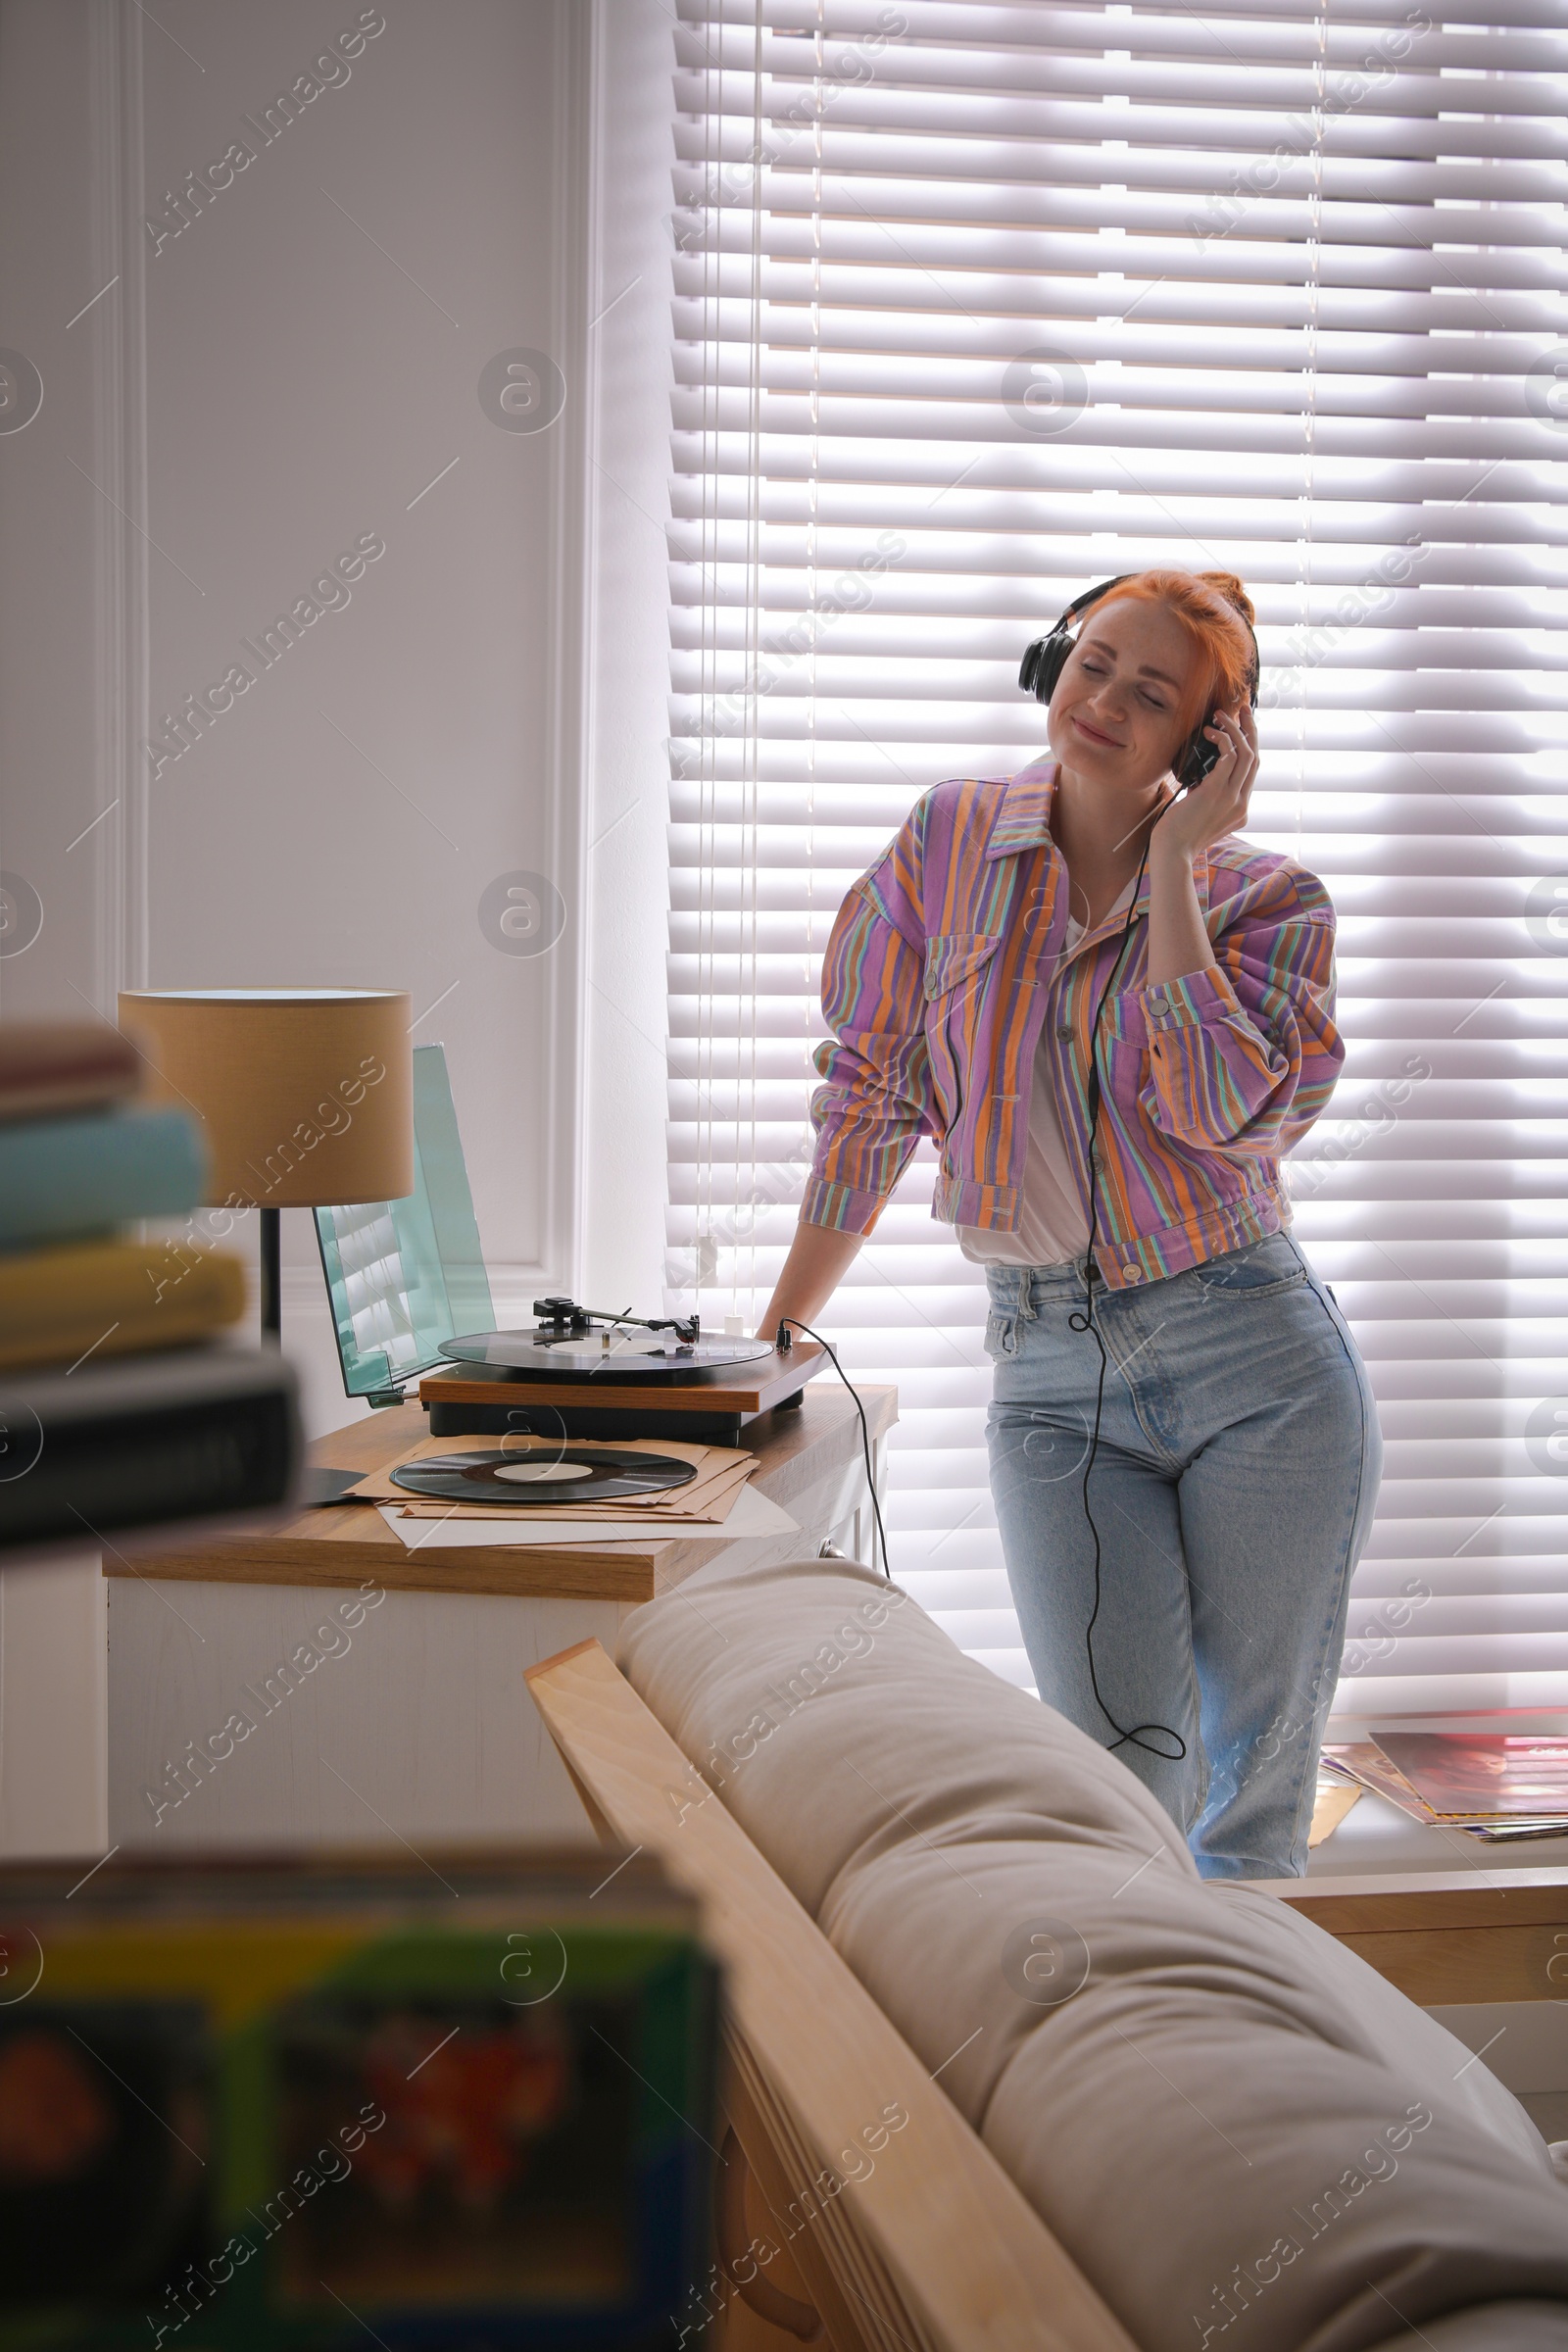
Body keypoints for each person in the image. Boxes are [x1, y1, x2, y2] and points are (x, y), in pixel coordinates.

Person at [757, 568, 1381, 1880]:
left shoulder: (1271, 905)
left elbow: (1225, 1115)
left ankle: (1228, 2068)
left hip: (1254, 1360)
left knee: (1250, 1790)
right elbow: (872, 1090)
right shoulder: (946, 845)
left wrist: (1172, 871)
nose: (1104, 702)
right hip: (1047, 1371)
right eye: (1093, 662)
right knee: (1116, 1782)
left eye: (1152, 695)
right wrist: (783, 1327)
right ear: (1052, 661)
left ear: (1208, 745)